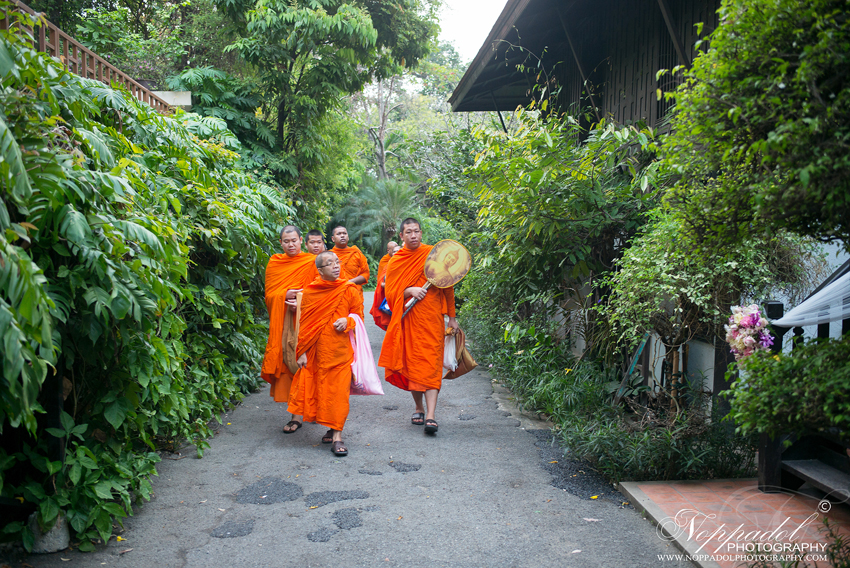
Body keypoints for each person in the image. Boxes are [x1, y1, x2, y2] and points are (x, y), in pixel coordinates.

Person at [379, 218, 458, 434]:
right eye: (408, 232)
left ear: (421, 233)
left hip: (432, 317)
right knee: (412, 363)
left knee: (431, 363)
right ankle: (418, 407)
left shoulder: (433, 254)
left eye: (416, 231)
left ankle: (431, 415)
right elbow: (390, 293)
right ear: (401, 236)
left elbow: (447, 285)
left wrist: (452, 317)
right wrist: (409, 291)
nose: (413, 235)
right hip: (408, 319)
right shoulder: (396, 261)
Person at [287, 251, 364, 456]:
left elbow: (358, 317)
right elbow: (303, 324)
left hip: (340, 352)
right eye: (329, 264)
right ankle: (330, 427)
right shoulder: (311, 292)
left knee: (338, 395)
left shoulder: (349, 289)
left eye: (337, 262)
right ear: (320, 270)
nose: (336, 266)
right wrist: (301, 351)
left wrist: (348, 321)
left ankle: (337, 436)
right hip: (315, 353)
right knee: (319, 392)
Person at [260, 225, 319, 433]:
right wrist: (284, 295)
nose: (291, 244)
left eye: (294, 240)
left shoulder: (311, 262)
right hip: (286, 322)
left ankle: (315, 410)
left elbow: (321, 290)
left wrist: (302, 299)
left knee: (311, 366)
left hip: (309, 321)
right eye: (286, 241)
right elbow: (269, 296)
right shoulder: (275, 263)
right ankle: (295, 416)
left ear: (301, 240)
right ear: (281, 243)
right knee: (290, 365)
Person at [368, 240, 398, 330]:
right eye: (393, 251)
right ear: (388, 250)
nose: (396, 253)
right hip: (388, 292)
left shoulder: (405, 261)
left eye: (398, 250)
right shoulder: (385, 261)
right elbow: (381, 280)